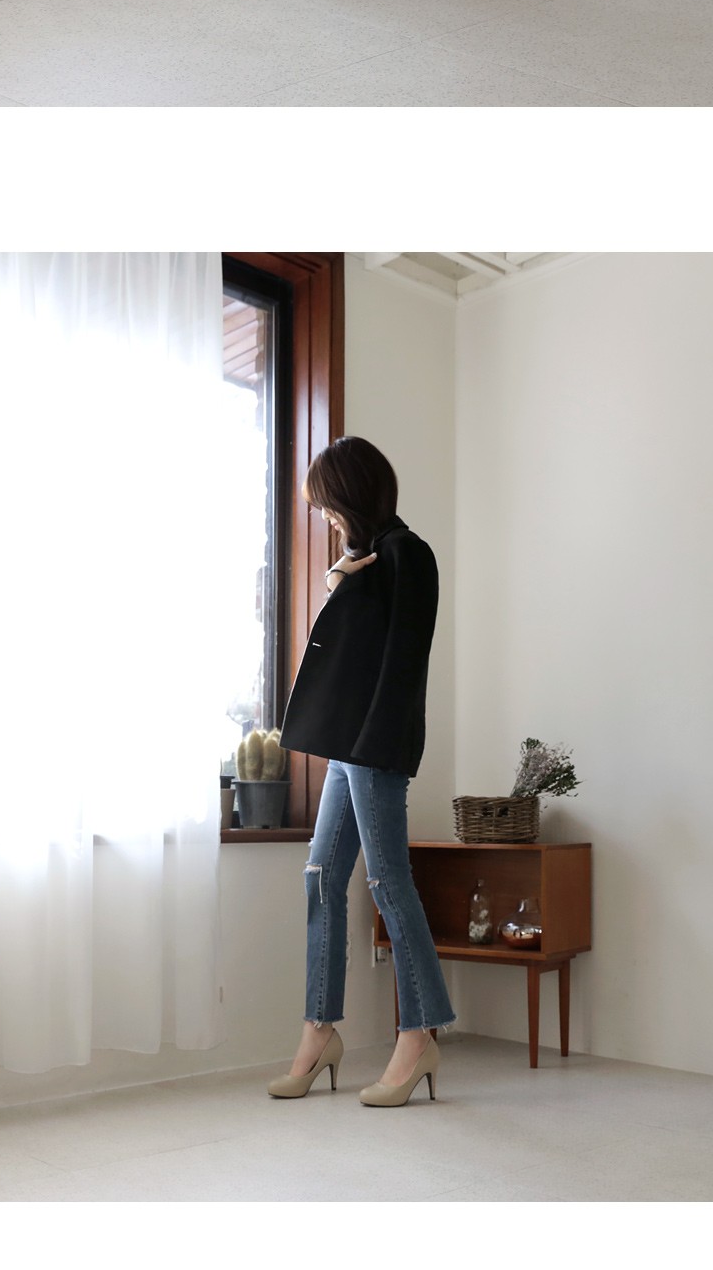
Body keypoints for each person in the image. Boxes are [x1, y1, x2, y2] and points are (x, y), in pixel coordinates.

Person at [268, 435, 455, 1108]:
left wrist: (374, 749)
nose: (324, 516)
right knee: (321, 875)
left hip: (375, 745)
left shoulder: (409, 554)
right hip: (347, 747)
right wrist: (340, 582)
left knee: (387, 882)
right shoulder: (362, 562)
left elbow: (402, 666)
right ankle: (319, 1031)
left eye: (327, 504)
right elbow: (345, 657)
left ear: (351, 493)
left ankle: (419, 1033)